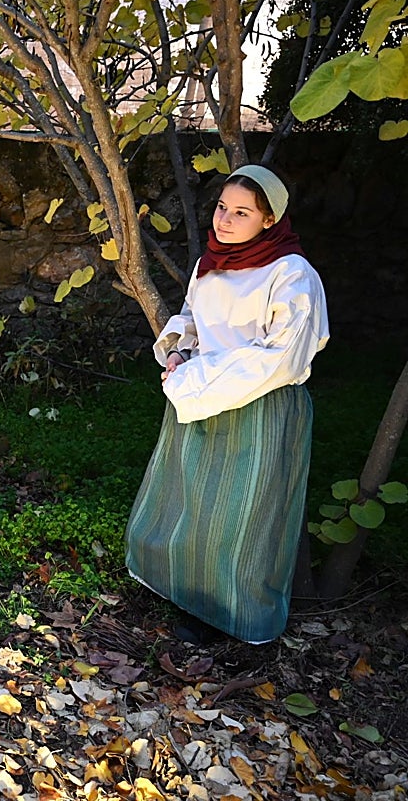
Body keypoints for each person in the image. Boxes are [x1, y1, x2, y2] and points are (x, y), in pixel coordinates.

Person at [126, 165, 329, 645]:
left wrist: (198, 377)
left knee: (243, 517)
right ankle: (183, 591)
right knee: (192, 501)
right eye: (221, 207)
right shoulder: (211, 263)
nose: (225, 220)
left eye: (242, 212)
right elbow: (194, 318)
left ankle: (229, 616)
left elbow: (282, 356)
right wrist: (179, 352)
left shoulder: (292, 273)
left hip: (260, 406)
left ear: (268, 219)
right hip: (201, 396)